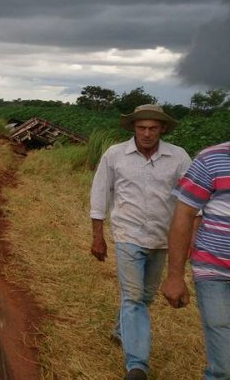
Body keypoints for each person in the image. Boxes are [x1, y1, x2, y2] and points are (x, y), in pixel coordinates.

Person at [89, 104, 191, 380]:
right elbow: (100, 194)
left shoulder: (178, 157)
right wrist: (98, 236)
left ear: (163, 129)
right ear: (133, 128)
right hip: (127, 236)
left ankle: (122, 330)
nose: (146, 133)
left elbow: (191, 200)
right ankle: (137, 365)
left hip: (162, 239)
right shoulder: (115, 155)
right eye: (141, 128)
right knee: (134, 298)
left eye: (153, 128)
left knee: (145, 297)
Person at [162, 140, 230, 380]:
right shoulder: (211, 159)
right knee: (224, 364)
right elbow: (184, 215)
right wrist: (174, 276)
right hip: (214, 270)